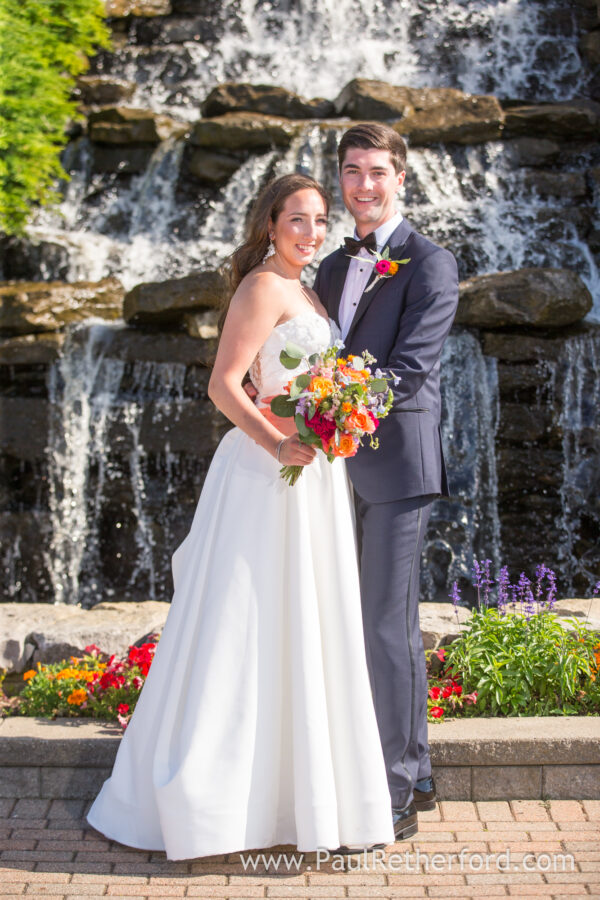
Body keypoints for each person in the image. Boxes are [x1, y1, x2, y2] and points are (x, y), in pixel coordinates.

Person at [85, 173, 395, 861]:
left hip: (314, 475)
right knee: (244, 623)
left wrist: (338, 418)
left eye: (320, 220)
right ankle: (213, 806)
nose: (311, 232)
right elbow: (224, 385)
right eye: (297, 219)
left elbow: (306, 381)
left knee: (302, 625)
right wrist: (278, 442)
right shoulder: (262, 286)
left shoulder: (307, 290)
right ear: (270, 223)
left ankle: (294, 802)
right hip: (266, 474)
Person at [313, 123, 459, 839]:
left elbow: (411, 369)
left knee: (382, 622)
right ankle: (417, 772)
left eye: (377, 172)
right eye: (352, 171)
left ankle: (395, 788)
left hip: (398, 466)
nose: (363, 185)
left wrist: (331, 409)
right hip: (332, 468)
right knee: (362, 621)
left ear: (401, 178)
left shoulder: (431, 263)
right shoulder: (329, 268)